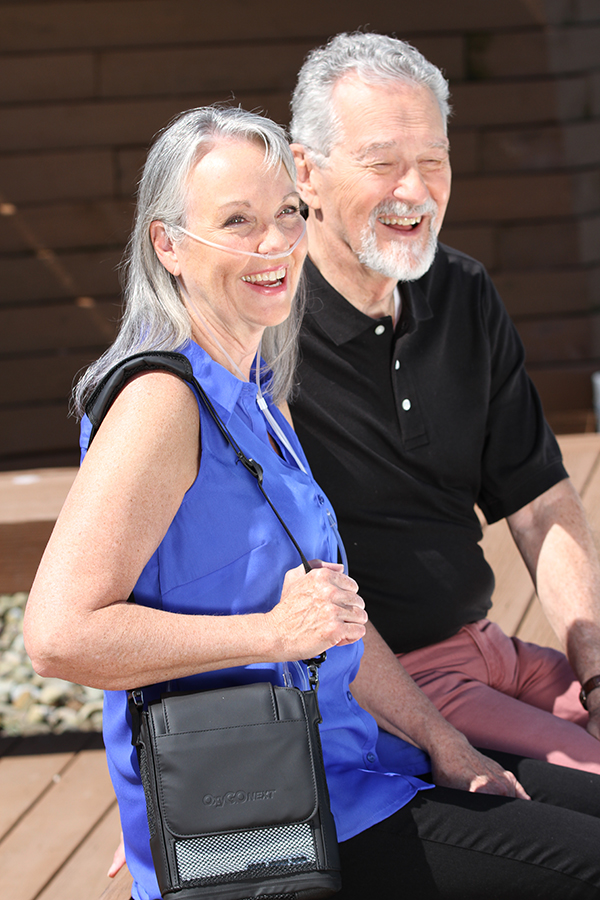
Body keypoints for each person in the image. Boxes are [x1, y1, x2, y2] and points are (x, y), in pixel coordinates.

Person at [23, 105, 600, 900]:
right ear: (169, 246)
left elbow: (334, 622)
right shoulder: (162, 400)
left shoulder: (258, 395)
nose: (275, 244)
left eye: (286, 214)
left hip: (353, 772)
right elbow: (58, 637)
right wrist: (270, 633)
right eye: (236, 221)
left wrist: (443, 739)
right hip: (266, 826)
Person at [288, 30, 600, 776]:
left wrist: (594, 671)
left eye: (433, 161)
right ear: (307, 172)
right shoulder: (260, 327)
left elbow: (538, 502)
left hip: (495, 649)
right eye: (383, 163)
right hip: (392, 684)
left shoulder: (462, 290)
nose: (415, 191)